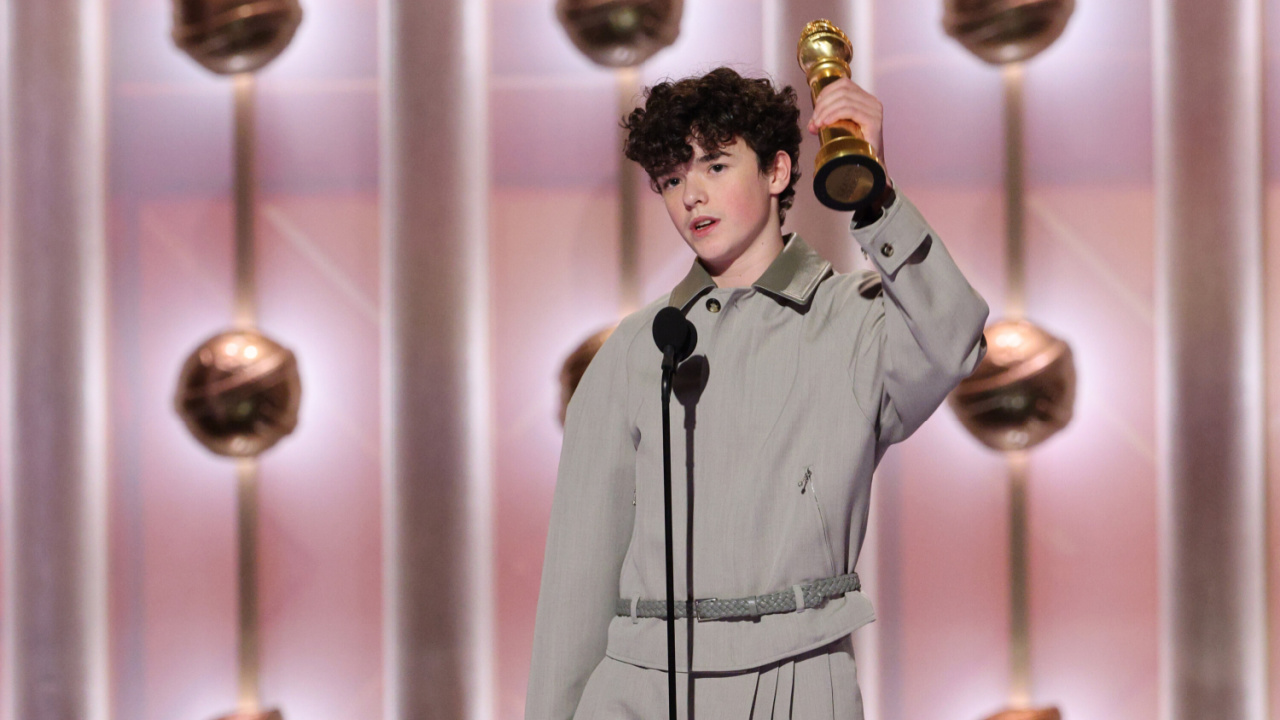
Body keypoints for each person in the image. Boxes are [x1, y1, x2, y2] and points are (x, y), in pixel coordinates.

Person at [525, 66, 989, 719]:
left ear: (776, 172)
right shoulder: (634, 351)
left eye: (714, 165)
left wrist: (874, 194)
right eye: (672, 178)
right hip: (643, 687)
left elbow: (953, 339)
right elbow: (577, 583)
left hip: (798, 679)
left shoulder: (855, 325)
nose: (691, 195)